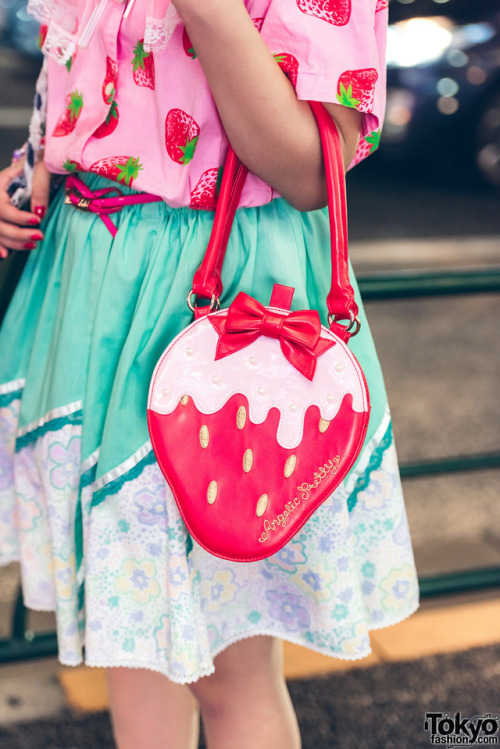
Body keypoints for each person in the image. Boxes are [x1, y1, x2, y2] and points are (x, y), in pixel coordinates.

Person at [0, 0, 419, 747]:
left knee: (232, 671)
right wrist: (30, 168)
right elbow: (81, 89)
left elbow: (307, 167)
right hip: (86, 275)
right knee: (127, 640)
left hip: (222, 298)